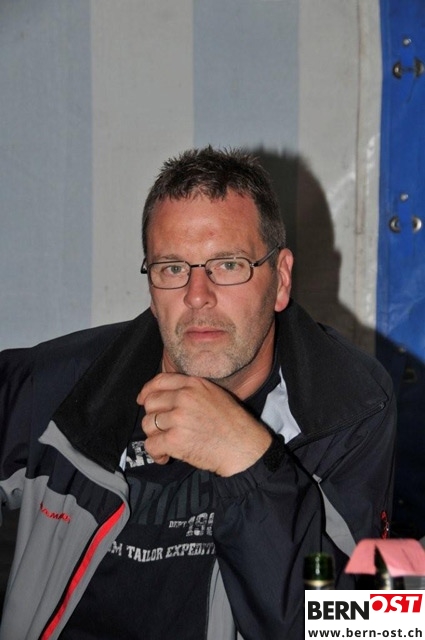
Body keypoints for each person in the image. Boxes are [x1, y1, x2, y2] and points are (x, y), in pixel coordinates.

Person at [0, 147, 396, 640]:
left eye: (228, 264)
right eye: (172, 268)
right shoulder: (64, 386)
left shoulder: (348, 406)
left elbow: (363, 625)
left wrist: (250, 463)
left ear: (281, 280)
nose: (197, 295)